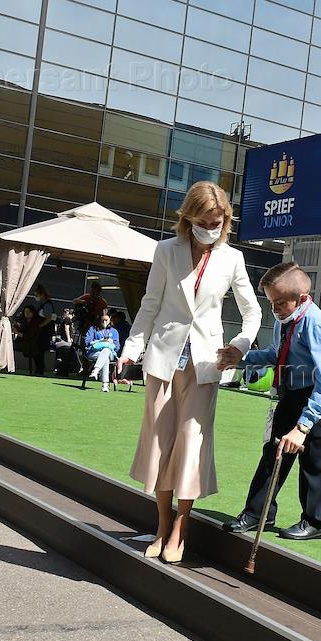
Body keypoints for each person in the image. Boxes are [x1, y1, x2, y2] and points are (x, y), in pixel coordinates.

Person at [117, 180, 261, 563]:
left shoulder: (233, 259)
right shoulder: (166, 250)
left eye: (218, 223)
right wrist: (131, 349)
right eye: (204, 222)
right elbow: (150, 304)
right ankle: (162, 525)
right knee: (159, 444)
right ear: (189, 218)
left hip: (206, 363)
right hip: (162, 360)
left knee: (191, 444)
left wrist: (239, 345)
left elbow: (252, 312)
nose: (211, 229)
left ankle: (181, 527)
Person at [218, 262, 321, 541]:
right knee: (274, 451)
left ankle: (315, 521)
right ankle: (258, 513)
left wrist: (303, 426)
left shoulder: (316, 325)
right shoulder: (286, 319)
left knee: (314, 458)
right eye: (271, 302)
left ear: (302, 298)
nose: (275, 309)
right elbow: (277, 353)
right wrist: (241, 358)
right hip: (293, 388)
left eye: (281, 303)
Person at [84, 313, 120, 392]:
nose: (104, 322)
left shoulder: (114, 331)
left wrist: (110, 343)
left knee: (106, 350)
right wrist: (99, 341)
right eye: (102, 320)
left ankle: (96, 370)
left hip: (110, 353)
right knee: (105, 358)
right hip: (94, 352)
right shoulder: (93, 329)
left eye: (106, 320)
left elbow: (117, 347)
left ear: (110, 319)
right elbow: (87, 342)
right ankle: (105, 385)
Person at [27, 284, 55, 376]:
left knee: (39, 351)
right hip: (41, 332)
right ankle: (39, 368)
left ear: (42, 294)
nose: (36, 297)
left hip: (44, 333)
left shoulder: (47, 305)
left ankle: (40, 369)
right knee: (38, 351)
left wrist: (40, 326)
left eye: (36, 295)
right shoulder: (43, 304)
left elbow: (49, 318)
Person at [14, 305, 44, 376]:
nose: (27, 313)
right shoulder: (23, 321)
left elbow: (29, 335)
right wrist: (16, 326)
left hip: (32, 343)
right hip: (22, 341)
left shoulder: (36, 322)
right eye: (25, 312)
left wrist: (17, 333)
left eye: (29, 312)